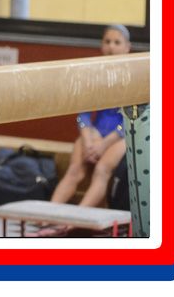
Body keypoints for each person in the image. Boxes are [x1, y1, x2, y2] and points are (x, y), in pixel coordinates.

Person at [48, 24, 132, 210]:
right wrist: (88, 140)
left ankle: (77, 219)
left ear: (127, 47)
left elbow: (128, 120)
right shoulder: (94, 75)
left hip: (121, 135)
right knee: (74, 170)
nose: (111, 47)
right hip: (96, 132)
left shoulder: (132, 77)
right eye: (107, 41)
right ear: (101, 45)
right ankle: (47, 214)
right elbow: (83, 115)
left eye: (117, 42)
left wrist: (104, 144)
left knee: (102, 170)